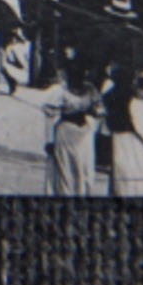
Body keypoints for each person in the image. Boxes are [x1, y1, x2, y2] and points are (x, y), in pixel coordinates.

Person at [43, 63, 104, 196]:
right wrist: (50, 140)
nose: (78, 78)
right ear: (68, 76)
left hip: (84, 134)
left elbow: (100, 109)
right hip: (66, 133)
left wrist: (93, 112)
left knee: (83, 169)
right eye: (74, 75)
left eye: (80, 74)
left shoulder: (90, 89)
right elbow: (49, 113)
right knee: (65, 170)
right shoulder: (60, 90)